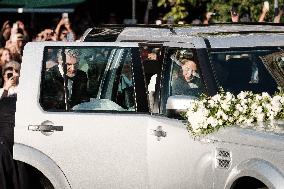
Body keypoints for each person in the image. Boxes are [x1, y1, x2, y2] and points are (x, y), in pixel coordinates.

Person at [0, 61, 21, 189]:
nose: (13, 76)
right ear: (4, 76)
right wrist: (6, 88)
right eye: (9, 73)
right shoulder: (2, 91)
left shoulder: (24, 90)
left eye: (16, 72)